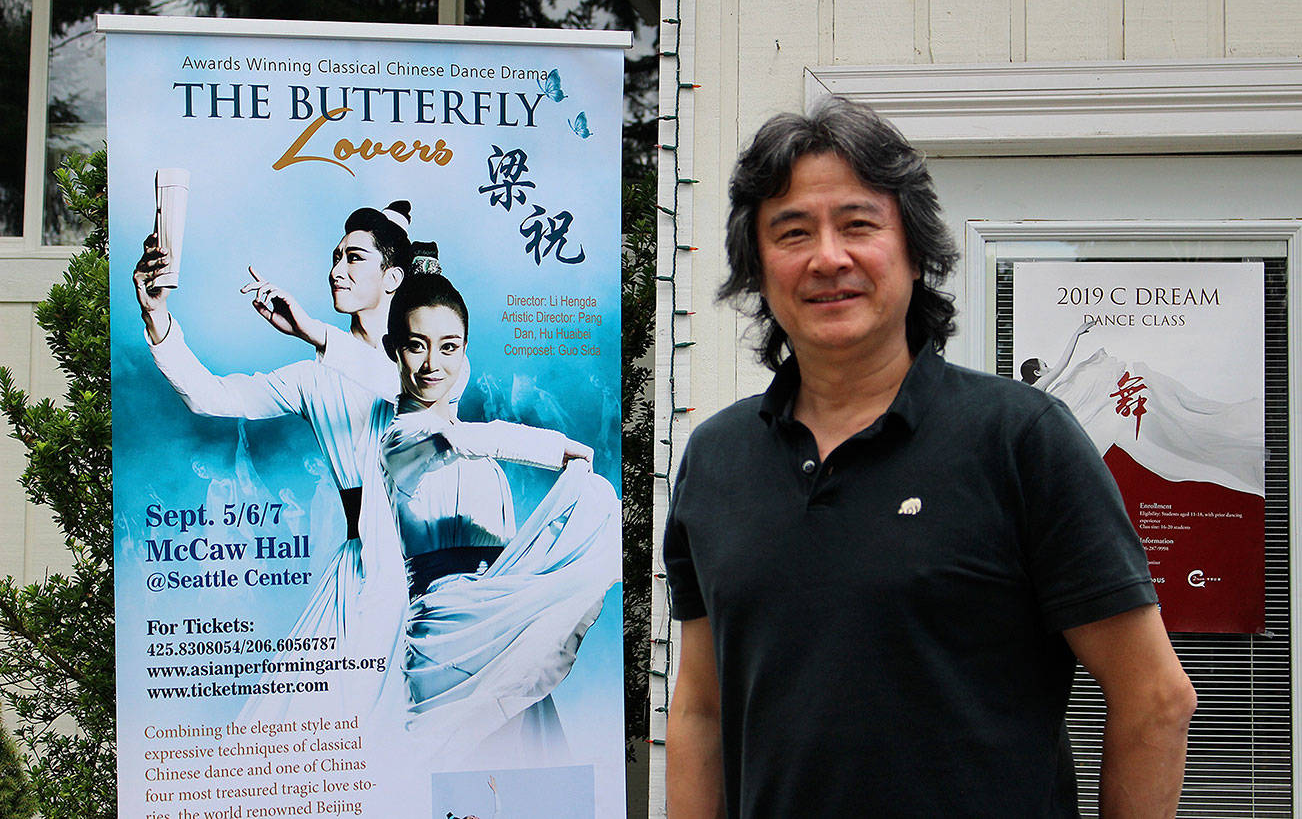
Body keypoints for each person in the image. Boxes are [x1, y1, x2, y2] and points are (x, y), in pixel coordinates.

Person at [663, 99, 1197, 817]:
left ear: (914, 250)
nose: (828, 257)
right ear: (757, 267)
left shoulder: (1020, 439)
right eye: (793, 232)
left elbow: (1155, 697)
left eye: (858, 225)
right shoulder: (716, 459)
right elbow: (700, 710)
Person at [331, 248, 621, 767]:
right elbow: (446, 439)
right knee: (454, 783)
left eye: (449, 347)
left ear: (464, 353)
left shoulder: (479, 455)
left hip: (502, 622)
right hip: (442, 637)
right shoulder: (397, 441)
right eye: (416, 347)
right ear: (394, 351)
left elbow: (464, 437)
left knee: (530, 781)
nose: (432, 364)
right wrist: (552, 447)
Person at [132, 199, 416, 721]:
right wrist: (156, 314)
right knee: (288, 726)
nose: (336, 270)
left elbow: (401, 388)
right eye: (335, 256)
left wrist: (313, 332)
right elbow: (210, 396)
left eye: (354, 258)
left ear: (392, 276)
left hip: (419, 563)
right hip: (356, 567)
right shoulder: (314, 377)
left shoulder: (423, 354)